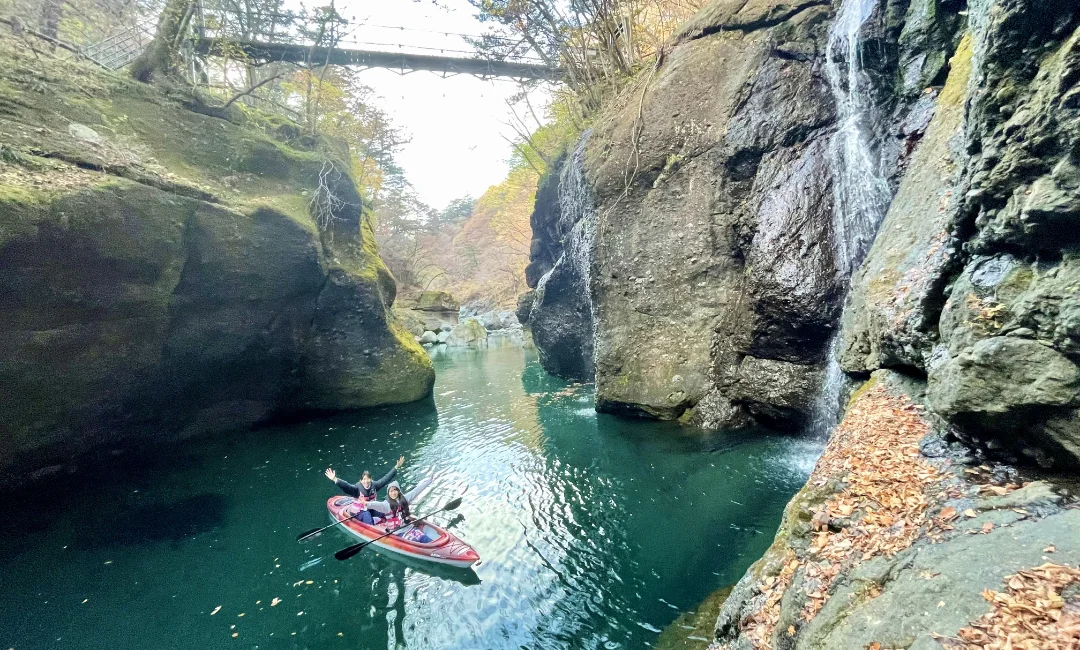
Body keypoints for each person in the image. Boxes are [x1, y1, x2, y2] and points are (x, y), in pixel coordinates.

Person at [324, 456, 404, 524]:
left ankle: (391, 523)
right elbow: (346, 486)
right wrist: (335, 479)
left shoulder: (374, 485)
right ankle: (373, 527)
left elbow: (386, 479)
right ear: (361, 480)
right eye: (364, 479)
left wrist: (396, 467)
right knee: (367, 516)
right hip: (359, 512)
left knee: (385, 511)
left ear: (371, 479)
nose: (366, 481)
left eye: (368, 479)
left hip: (371, 508)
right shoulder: (356, 489)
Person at [366, 475, 435, 542]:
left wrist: (428, 481)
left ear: (398, 491)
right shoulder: (386, 505)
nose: (393, 493)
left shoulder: (405, 498)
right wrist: (366, 503)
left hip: (409, 527)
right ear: (388, 493)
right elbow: (375, 504)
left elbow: (416, 491)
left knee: (424, 538)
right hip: (397, 532)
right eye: (391, 491)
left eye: (395, 490)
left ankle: (432, 544)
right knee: (417, 540)